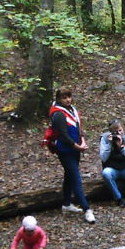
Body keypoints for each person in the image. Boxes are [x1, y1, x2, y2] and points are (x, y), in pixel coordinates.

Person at [49, 87, 95, 222]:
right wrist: (77, 146)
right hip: (65, 151)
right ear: (58, 99)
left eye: (69, 96)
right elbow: (63, 135)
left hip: (75, 149)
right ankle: (87, 209)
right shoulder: (58, 114)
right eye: (64, 97)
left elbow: (78, 128)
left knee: (69, 176)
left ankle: (67, 203)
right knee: (76, 178)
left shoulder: (72, 109)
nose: (68, 99)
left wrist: (82, 141)